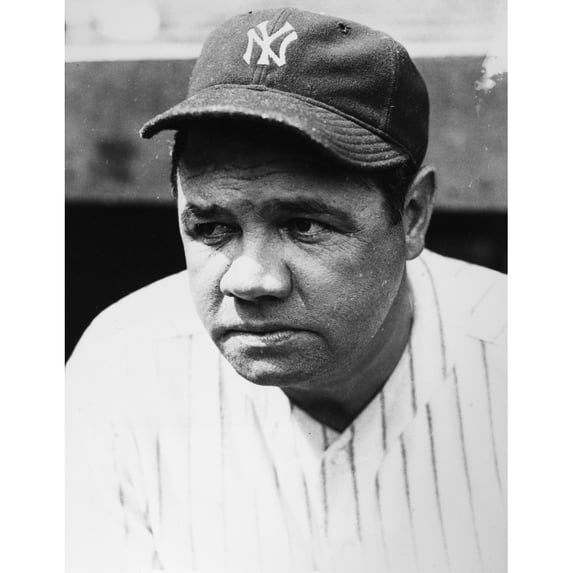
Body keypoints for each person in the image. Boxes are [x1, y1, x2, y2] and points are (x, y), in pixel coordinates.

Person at [66, 7, 506, 573]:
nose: (249, 279)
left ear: (413, 216)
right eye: (212, 228)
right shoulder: (122, 367)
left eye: (304, 225)